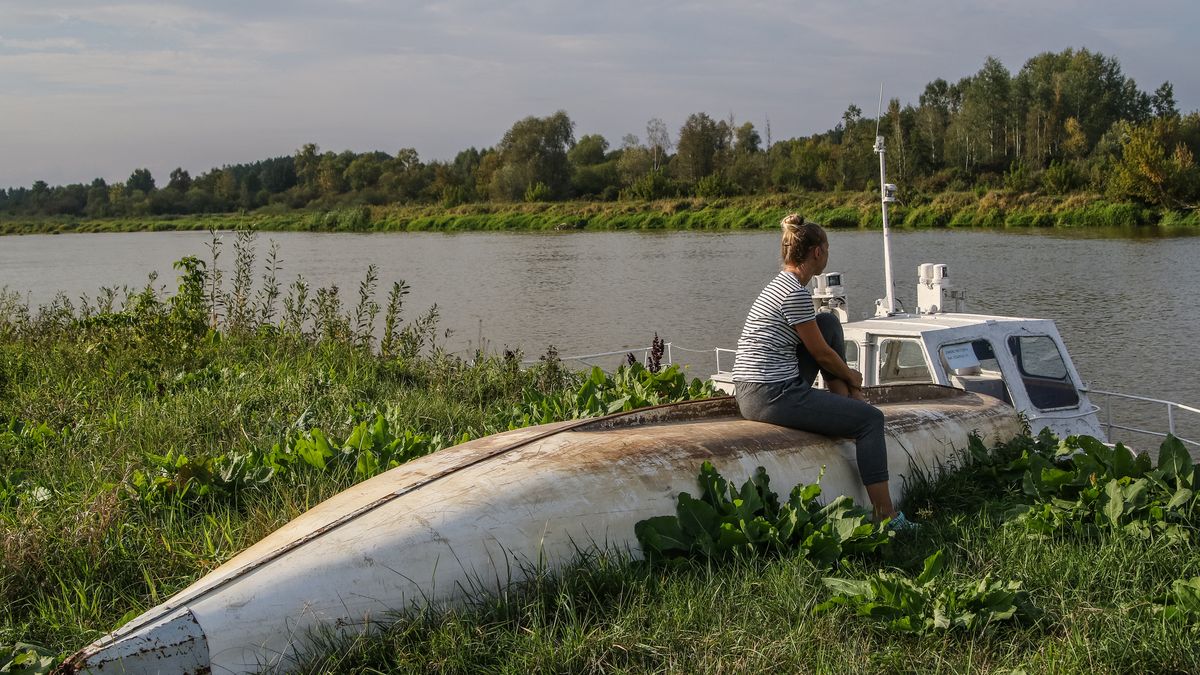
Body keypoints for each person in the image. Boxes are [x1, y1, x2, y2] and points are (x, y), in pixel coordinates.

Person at [732, 213, 910, 527]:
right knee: (871, 420)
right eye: (827, 250)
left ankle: (847, 405)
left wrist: (848, 389)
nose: (827, 256)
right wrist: (853, 377)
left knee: (827, 321)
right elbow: (821, 356)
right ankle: (886, 516)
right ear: (817, 253)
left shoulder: (781, 284)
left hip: (756, 386)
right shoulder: (795, 293)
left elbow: (820, 343)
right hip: (771, 393)